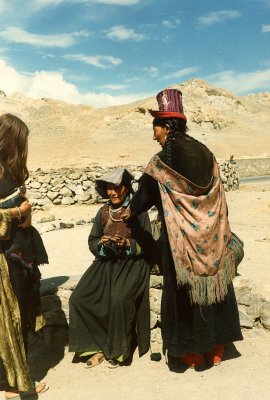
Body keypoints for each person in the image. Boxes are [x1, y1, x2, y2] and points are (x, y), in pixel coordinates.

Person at [124, 89, 243, 369]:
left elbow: (144, 197)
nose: (153, 135)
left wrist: (130, 213)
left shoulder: (161, 162)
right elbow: (217, 192)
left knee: (182, 295)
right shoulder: (205, 151)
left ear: (166, 127)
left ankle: (189, 353)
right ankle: (215, 348)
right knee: (215, 292)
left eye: (155, 127)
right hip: (212, 237)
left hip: (180, 243)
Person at [69, 169, 152, 368]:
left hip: (133, 264)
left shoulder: (138, 211)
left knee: (118, 299)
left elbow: (149, 245)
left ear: (126, 188)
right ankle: (95, 347)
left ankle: (118, 352)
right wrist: (102, 245)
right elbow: (92, 240)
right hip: (106, 262)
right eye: (109, 188)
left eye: (117, 188)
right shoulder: (103, 212)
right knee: (79, 298)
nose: (113, 192)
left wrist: (127, 244)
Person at [0, 113, 49, 399]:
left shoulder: (12, 174)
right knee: (15, 319)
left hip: (17, 256)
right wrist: (20, 212)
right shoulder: (4, 177)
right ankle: (17, 386)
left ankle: (8, 382)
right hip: (9, 262)